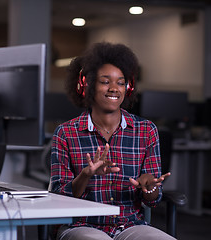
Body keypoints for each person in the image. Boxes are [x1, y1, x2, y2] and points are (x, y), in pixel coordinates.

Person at [50, 42, 174, 240]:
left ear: (129, 86)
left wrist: (150, 187)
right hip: (82, 225)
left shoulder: (146, 130)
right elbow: (58, 200)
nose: (114, 88)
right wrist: (86, 175)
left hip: (130, 225)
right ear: (87, 85)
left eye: (121, 82)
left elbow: (152, 200)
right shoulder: (66, 133)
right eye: (105, 81)